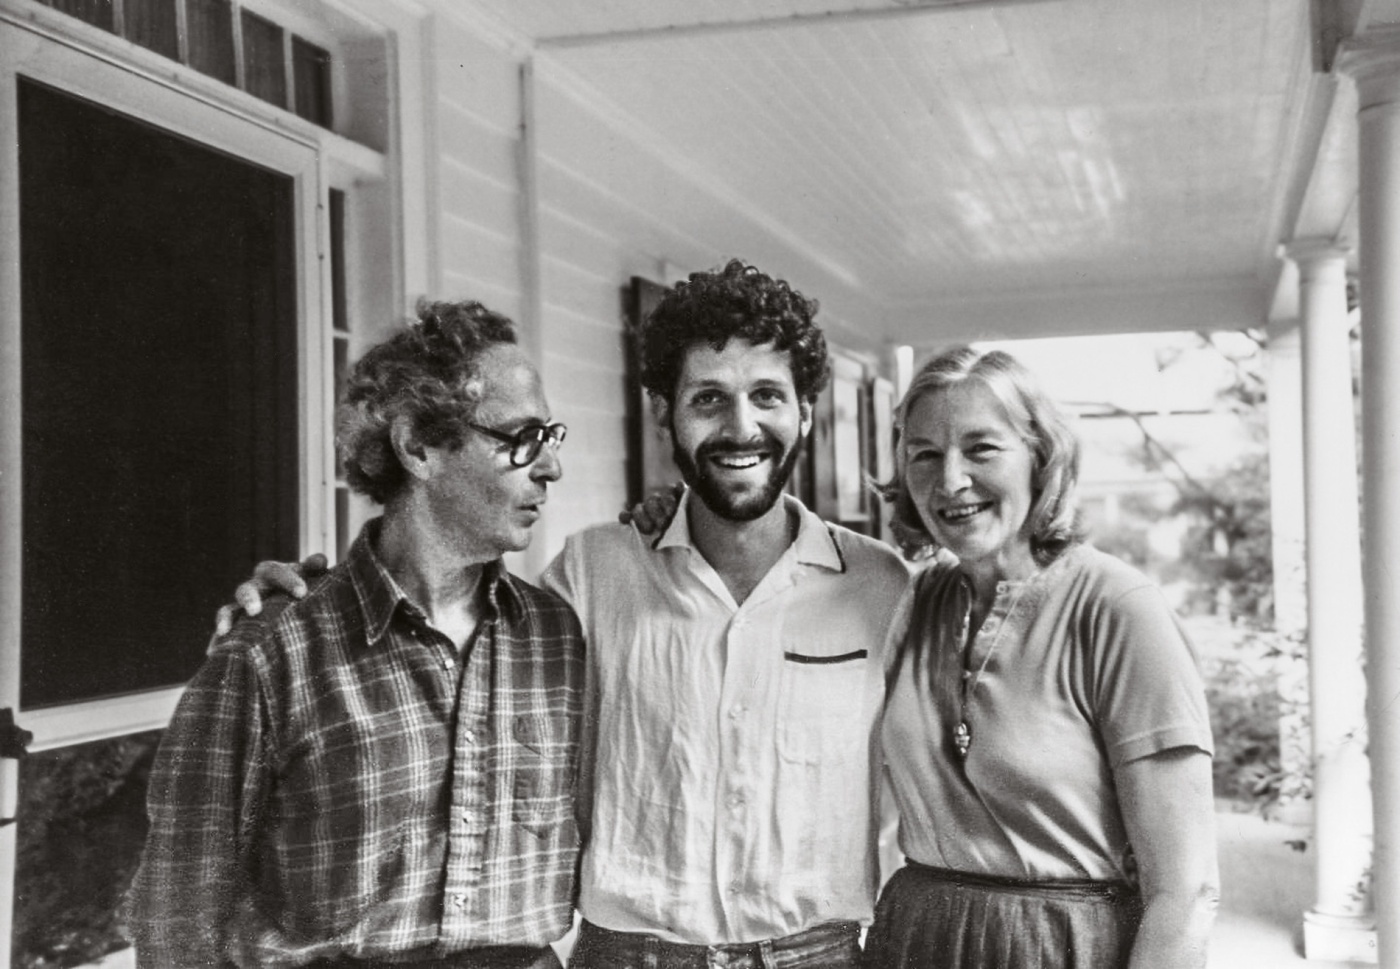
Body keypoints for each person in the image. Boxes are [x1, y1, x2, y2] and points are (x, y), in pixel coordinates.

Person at [223, 260, 912, 969]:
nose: (742, 426)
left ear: (805, 409)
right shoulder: (591, 573)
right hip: (629, 954)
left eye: (768, 395)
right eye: (709, 398)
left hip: (819, 954)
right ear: (663, 413)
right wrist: (312, 601)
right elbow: (443, 649)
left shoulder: (882, 587)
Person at [126, 300, 585, 969]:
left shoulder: (556, 637)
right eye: (521, 439)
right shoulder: (271, 652)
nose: (550, 469)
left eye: (551, 439)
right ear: (418, 445)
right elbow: (177, 923)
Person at [864, 345, 1219, 969]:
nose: (950, 481)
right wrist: (662, 525)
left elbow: (1184, 891)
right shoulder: (910, 602)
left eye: (982, 448)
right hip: (914, 940)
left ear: (1039, 457)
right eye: (924, 454)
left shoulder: (1117, 608)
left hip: (1060, 947)